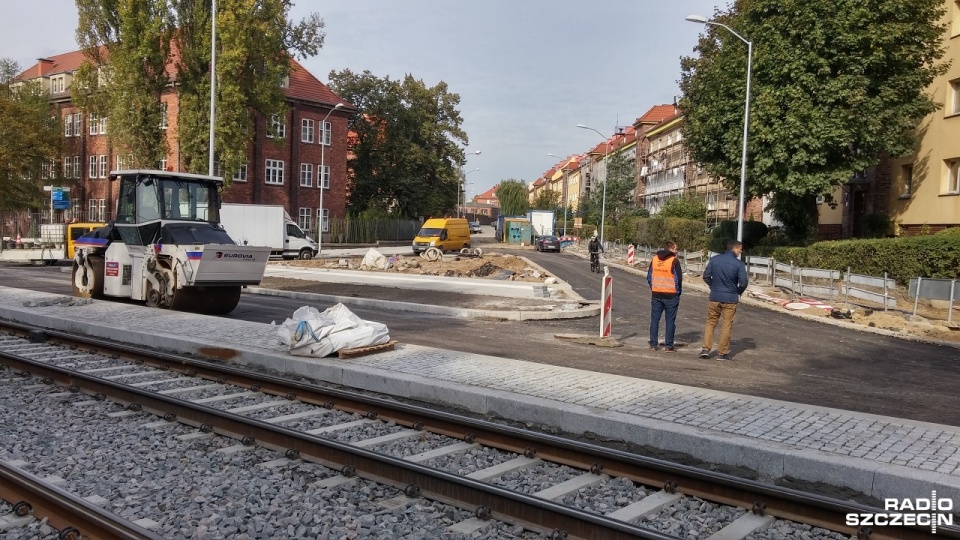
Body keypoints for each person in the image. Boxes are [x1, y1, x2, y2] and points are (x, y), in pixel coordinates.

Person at [699, 240, 748, 360]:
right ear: (735, 249)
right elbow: (743, 282)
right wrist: (738, 292)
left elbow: (706, 276)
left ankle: (705, 349)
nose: (741, 251)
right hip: (730, 298)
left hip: (715, 296)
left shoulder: (715, 260)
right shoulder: (739, 264)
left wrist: (712, 286)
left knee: (711, 322)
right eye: (740, 249)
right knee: (727, 324)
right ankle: (722, 353)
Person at [647, 240, 682, 352]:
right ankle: (669, 346)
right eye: (676, 249)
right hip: (671, 295)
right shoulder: (674, 261)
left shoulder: (655, 259)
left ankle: (653, 344)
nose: (677, 251)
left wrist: (654, 288)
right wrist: (678, 292)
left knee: (655, 320)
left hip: (656, 294)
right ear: (671, 249)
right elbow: (678, 279)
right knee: (670, 321)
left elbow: (649, 277)